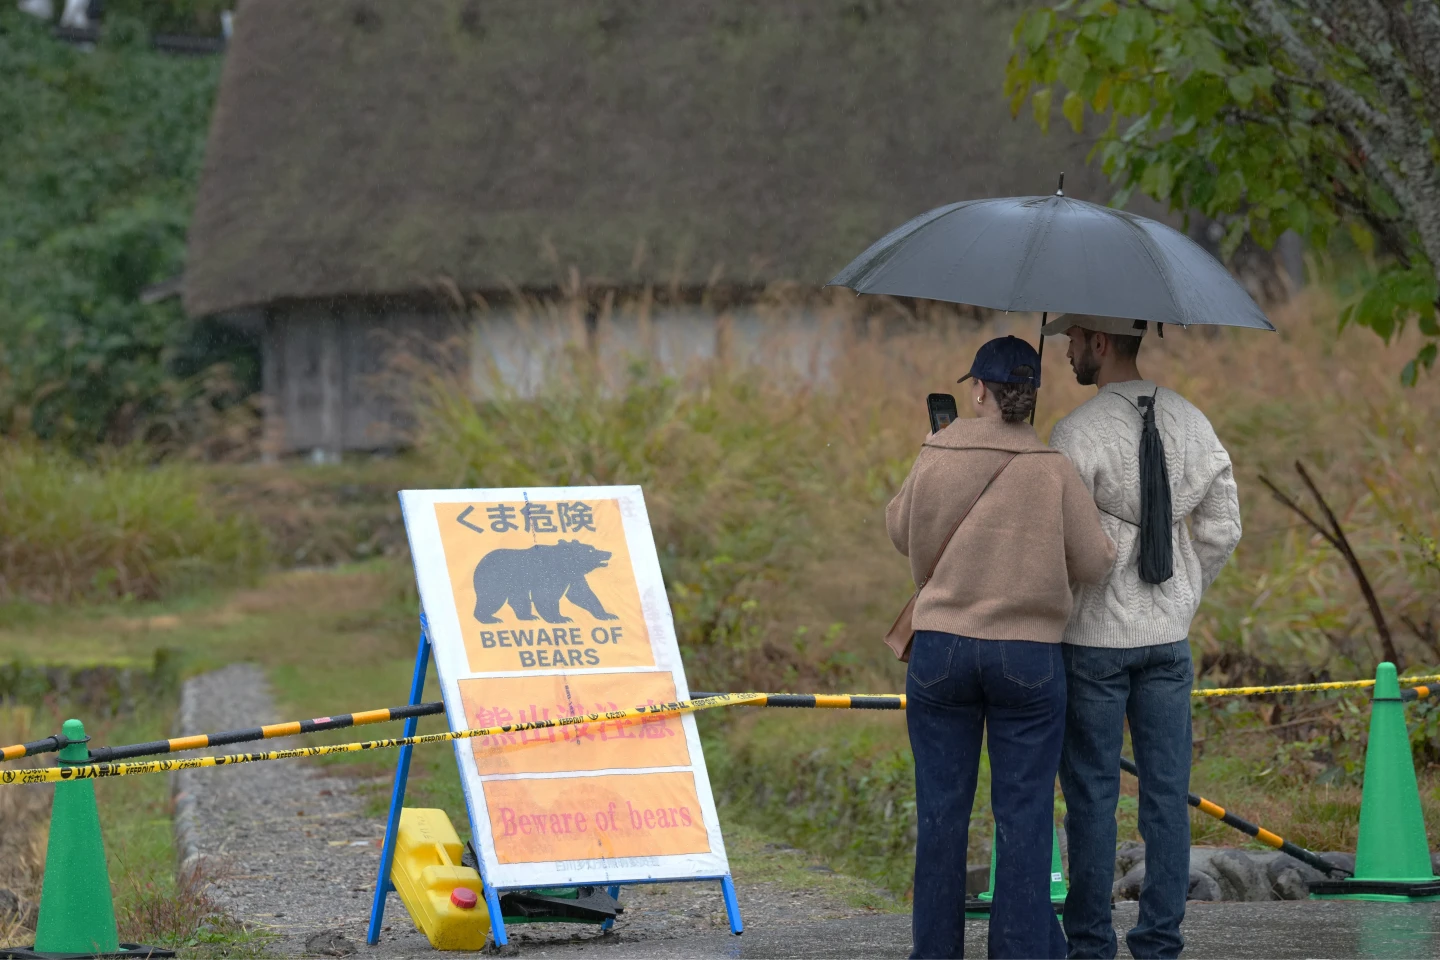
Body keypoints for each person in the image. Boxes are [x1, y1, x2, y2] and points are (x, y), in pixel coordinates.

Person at [887, 335, 1115, 960]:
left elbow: (897, 530)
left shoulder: (936, 451)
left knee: (940, 815)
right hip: (1028, 659)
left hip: (942, 654)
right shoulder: (1052, 468)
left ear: (980, 390)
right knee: (1023, 817)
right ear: (1031, 398)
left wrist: (935, 453)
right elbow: (1095, 562)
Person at [1043, 315, 1242, 960]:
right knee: (1166, 794)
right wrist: (1183, 590)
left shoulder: (1075, 433)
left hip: (1093, 642)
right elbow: (1223, 527)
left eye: (1073, 341)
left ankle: (1092, 944)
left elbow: (1061, 542)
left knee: (1092, 795)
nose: (1069, 352)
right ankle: (1159, 941)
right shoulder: (1194, 422)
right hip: (1168, 641)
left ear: (1099, 344)